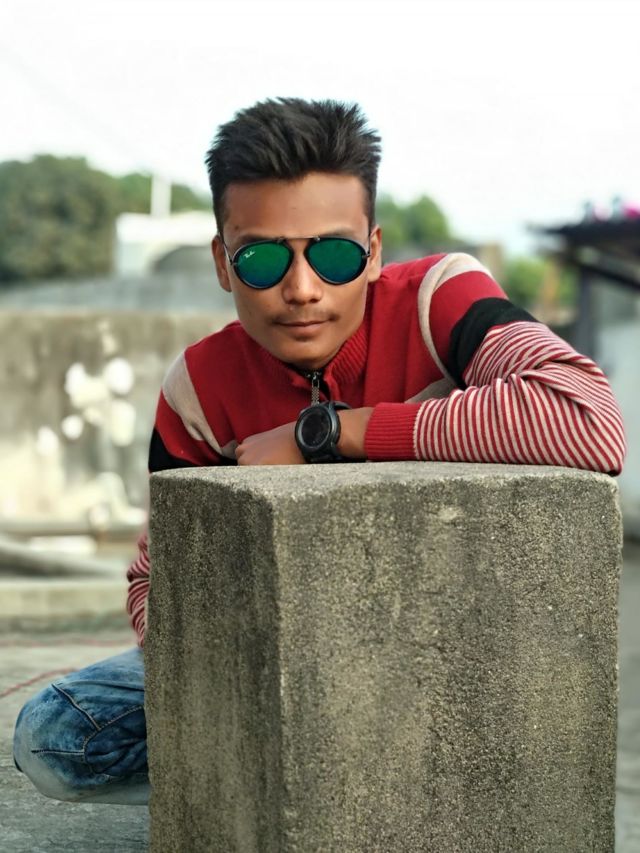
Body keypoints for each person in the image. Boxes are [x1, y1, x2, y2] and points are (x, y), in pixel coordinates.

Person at [12, 97, 626, 806]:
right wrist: (230, 683)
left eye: (333, 256)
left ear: (374, 251)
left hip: (445, 653)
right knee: (54, 738)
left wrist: (328, 435)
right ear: (222, 263)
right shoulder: (200, 389)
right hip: (259, 658)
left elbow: (585, 418)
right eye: (263, 259)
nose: (301, 290)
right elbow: (155, 582)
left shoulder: (438, 301)